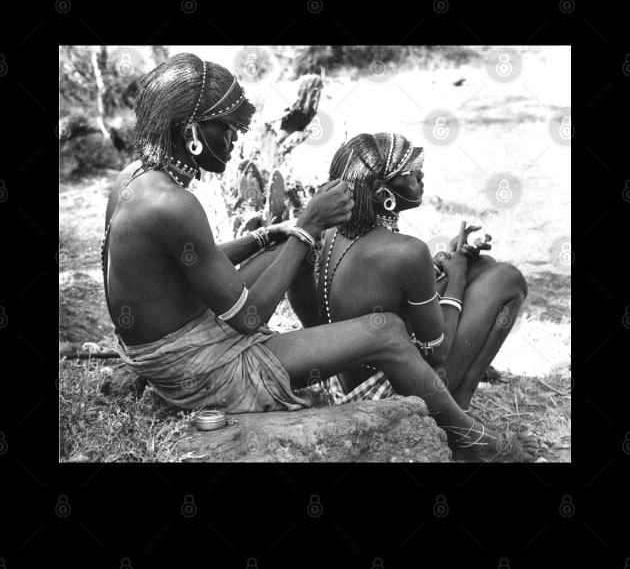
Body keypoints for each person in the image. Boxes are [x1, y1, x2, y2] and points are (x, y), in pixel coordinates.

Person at [102, 53, 536, 461]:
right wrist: (307, 229)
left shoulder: (134, 180)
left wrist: (272, 234)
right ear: (192, 133)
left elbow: (196, 259)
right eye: (227, 128)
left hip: (178, 342)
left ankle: (338, 359)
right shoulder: (173, 205)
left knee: (280, 249)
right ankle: (474, 441)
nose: (235, 140)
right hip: (205, 372)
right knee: (385, 330)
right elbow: (248, 319)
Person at [305, 132, 537, 461]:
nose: (421, 177)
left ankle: (456, 415)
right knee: (508, 280)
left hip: (341, 382)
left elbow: (393, 291)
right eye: (410, 173)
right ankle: (461, 423)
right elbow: (437, 351)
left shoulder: (331, 231)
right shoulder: (407, 251)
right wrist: (453, 277)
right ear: (383, 193)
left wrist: (451, 263)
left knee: (481, 266)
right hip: (388, 391)